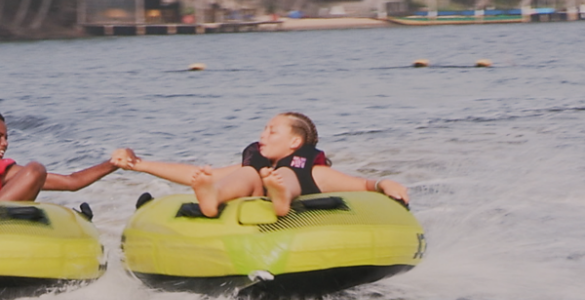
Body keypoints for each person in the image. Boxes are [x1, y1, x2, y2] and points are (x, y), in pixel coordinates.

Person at [112, 112, 409, 217]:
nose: (262, 136)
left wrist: (386, 183)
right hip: (259, 185)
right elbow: (197, 174)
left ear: (295, 142)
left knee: (285, 174)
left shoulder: (314, 170)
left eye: (272, 131)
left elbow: (365, 185)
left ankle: (282, 196)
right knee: (247, 173)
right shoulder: (257, 166)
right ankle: (213, 197)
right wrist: (140, 164)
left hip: (295, 190)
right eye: (263, 130)